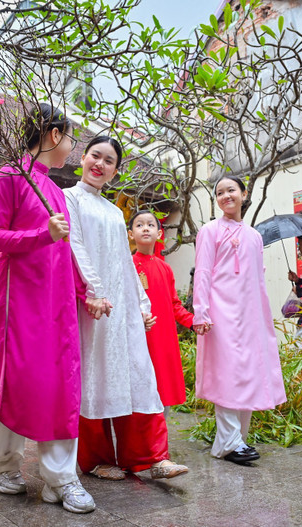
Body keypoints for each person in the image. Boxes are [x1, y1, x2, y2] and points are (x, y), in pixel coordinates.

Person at [0, 103, 95, 514]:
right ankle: (2, 464)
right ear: (53, 135)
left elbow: (67, 251)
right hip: (21, 302)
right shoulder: (10, 175)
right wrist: (40, 233)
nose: (72, 146)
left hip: (57, 304)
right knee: (20, 383)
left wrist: (86, 293)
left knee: (60, 385)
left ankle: (59, 479)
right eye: (70, 137)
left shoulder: (55, 191)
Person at [65, 136, 188, 481]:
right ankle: (97, 459)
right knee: (97, 376)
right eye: (96, 156)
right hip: (90, 305)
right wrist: (93, 290)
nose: (100, 164)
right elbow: (73, 246)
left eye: (109, 161)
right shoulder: (69, 198)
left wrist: (142, 303)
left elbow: (124, 261)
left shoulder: (112, 212)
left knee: (136, 373)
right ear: (84, 158)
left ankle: (150, 457)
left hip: (121, 305)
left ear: (115, 171)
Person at [193, 175, 286, 466]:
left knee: (249, 373)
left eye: (231, 190)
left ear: (244, 194)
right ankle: (231, 442)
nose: (225, 196)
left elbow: (257, 279)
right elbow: (204, 272)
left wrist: (262, 316)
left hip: (250, 314)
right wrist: (201, 311)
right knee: (227, 374)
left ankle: (237, 441)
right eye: (219, 192)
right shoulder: (209, 231)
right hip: (221, 313)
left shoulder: (255, 236)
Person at [129, 210, 194, 414]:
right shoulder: (127, 265)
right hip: (140, 336)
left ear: (159, 233)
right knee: (140, 390)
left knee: (162, 388)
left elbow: (174, 304)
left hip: (164, 337)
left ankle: (160, 441)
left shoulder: (165, 269)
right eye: (139, 225)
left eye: (151, 224)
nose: (145, 228)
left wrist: (194, 322)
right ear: (130, 234)